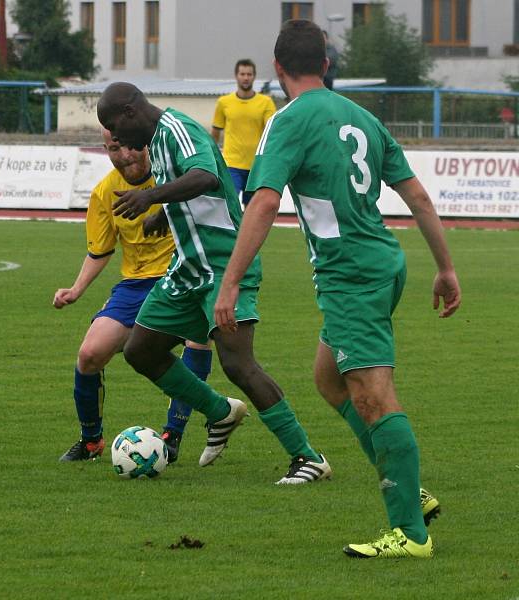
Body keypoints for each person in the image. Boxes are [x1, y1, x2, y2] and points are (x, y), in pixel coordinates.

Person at [215, 19, 461, 558]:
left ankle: (411, 534)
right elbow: (417, 196)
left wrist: (229, 283)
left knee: (373, 397)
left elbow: (262, 202)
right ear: (326, 65)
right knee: (329, 379)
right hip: (384, 262)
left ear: (277, 70)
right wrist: (444, 268)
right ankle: (405, 484)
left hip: (350, 274)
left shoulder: (287, 121)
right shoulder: (363, 118)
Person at [97, 82, 331, 481]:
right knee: (139, 351)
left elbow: (205, 176)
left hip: (224, 265)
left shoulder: (177, 130)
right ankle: (221, 411)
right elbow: (198, 194)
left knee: (239, 364)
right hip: (189, 267)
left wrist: (152, 198)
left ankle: (308, 457)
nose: (117, 140)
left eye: (115, 128)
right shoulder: (157, 141)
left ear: (133, 111)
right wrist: (164, 214)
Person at [54, 129, 212, 464]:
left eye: (131, 146)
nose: (125, 155)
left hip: (181, 274)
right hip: (136, 285)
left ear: (146, 144)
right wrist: (76, 289)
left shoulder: (174, 177)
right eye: (114, 148)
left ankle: (172, 435)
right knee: (89, 355)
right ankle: (91, 440)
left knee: (197, 341)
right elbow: (100, 250)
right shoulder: (104, 192)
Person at [211, 59, 276, 208]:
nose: (246, 77)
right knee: (229, 204)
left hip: (256, 165)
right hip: (231, 164)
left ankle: (248, 232)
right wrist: (212, 158)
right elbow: (215, 132)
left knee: (252, 209)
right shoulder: (224, 102)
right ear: (236, 76)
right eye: (242, 74)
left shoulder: (265, 102)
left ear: (254, 77)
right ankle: (233, 232)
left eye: (249, 74)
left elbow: (272, 132)